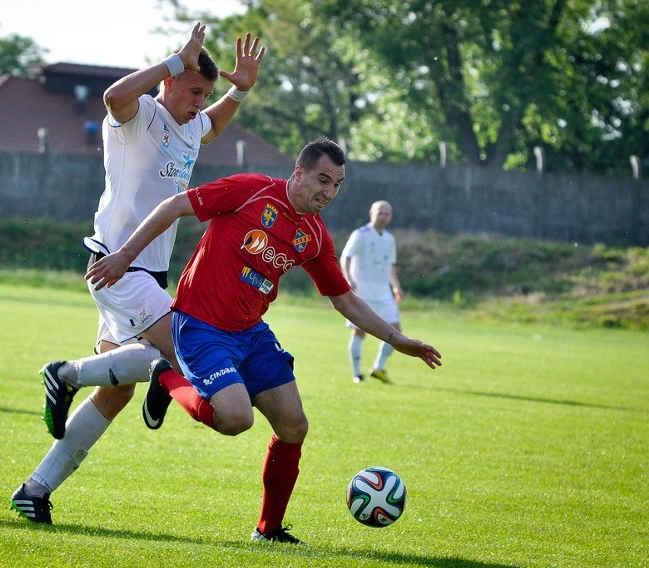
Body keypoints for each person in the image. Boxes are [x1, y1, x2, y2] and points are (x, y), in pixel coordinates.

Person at [85, 137, 442, 544]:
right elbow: (175, 205)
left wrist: (396, 339)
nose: (327, 192)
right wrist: (126, 255)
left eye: (337, 185)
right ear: (299, 173)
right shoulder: (251, 189)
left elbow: (343, 298)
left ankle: (268, 530)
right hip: (201, 326)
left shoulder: (314, 235)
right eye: (322, 180)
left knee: (294, 426)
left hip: (251, 334)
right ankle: (167, 373)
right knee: (236, 419)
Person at [10, 22, 266, 524]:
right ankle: (68, 374)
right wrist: (176, 59)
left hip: (150, 271)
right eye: (194, 91)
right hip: (116, 263)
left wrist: (238, 90)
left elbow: (211, 126)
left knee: (116, 390)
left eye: (204, 93)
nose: (199, 102)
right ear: (169, 82)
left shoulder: (192, 124)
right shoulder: (139, 114)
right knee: (179, 345)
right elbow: (112, 95)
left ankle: (34, 489)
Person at [339, 200, 404, 384]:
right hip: (363, 291)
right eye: (379, 212)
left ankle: (379, 367)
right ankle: (357, 373)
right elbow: (346, 257)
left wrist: (396, 287)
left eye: (386, 213)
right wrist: (348, 279)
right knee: (360, 332)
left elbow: (390, 266)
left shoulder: (390, 239)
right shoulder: (361, 234)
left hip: (384, 293)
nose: (382, 216)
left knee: (396, 332)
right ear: (371, 213)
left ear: (391, 217)